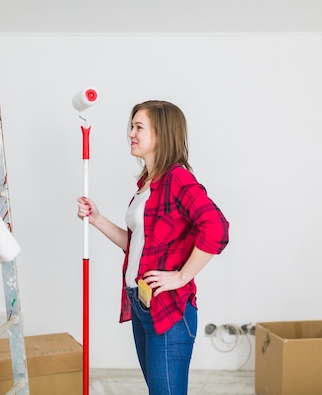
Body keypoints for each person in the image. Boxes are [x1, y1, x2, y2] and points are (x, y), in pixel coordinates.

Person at [77, 100, 229, 395]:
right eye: (131, 126)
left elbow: (217, 228)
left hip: (169, 308)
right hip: (141, 301)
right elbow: (138, 246)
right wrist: (97, 219)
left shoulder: (177, 178)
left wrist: (182, 276)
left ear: (161, 133)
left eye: (138, 127)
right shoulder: (149, 183)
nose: (130, 134)